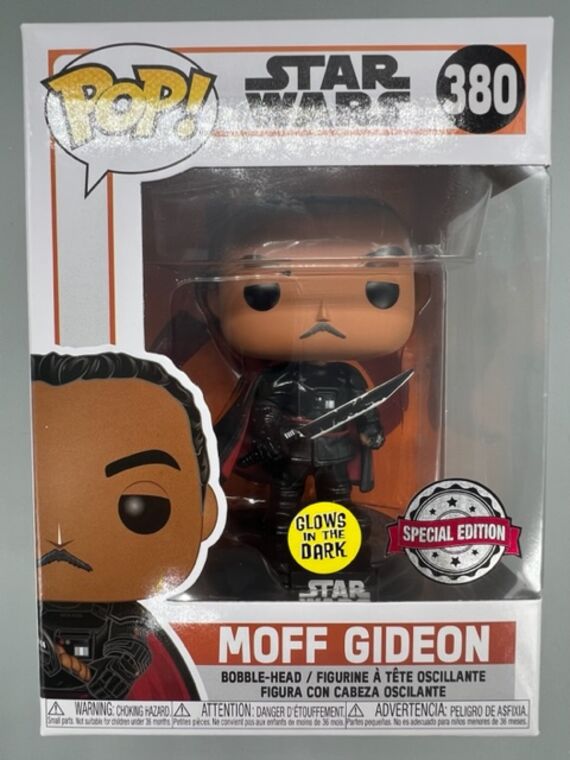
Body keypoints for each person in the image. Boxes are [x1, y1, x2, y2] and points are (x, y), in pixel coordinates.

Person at [32, 351, 220, 700]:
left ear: (205, 513)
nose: (60, 538)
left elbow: (134, 647)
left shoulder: (131, 625)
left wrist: (119, 670)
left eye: (140, 506)